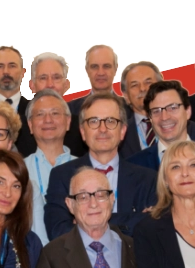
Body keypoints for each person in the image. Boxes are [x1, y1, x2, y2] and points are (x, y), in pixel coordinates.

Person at [44, 92, 156, 240]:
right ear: (83, 132)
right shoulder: (62, 176)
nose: (102, 129)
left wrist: (87, 222)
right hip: (80, 262)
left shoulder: (147, 178)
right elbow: (58, 232)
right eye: (94, 121)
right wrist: (132, 218)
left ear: (122, 131)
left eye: (110, 121)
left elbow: (151, 230)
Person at [127, 80, 195, 210]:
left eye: (173, 108)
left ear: (188, 111)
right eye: (156, 111)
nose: (164, 117)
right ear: (150, 118)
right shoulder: (134, 166)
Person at [22, 90, 75, 244]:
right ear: (30, 125)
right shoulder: (19, 171)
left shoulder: (86, 168)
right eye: (40, 114)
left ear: (68, 122)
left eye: (55, 113)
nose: (48, 120)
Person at [27, 52, 87, 157]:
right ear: (32, 86)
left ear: (66, 84)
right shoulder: (19, 129)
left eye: (56, 77)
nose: (50, 84)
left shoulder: (82, 127)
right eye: (43, 78)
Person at [0, 44, 36, 156]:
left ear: (23, 72)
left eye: (12, 66)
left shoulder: (35, 111)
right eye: (0, 66)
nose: (6, 71)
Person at [117, 60, 163, 160]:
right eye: (134, 85)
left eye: (148, 82)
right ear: (126, 96)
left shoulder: (185, 126)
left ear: (161, 88)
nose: (142, 89)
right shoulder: (118, 132)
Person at [67, 44, 128, 116]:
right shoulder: (70, 110)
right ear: (87, 70)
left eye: (106, 66)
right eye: (94, 67)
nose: (101, 73)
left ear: (115, 68)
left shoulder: (129, 108)